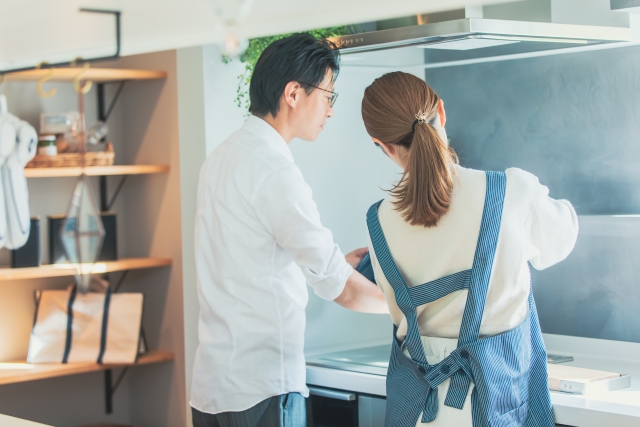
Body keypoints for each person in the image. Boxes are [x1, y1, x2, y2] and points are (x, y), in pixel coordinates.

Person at [360, 71, 579, 427]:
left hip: (417, 411)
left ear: (382, 145)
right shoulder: (511, 191)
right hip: (497, 404)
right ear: (441, 112)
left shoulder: (378, 220)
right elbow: (560, 241)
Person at [191, 34, 388, 427]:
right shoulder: (277, 171)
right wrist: (411, 306)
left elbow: (244, 260)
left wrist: (333, 266)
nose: (330, 110)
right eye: (328, 95)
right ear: (294, 93)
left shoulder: (221, 156)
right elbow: (342, 288)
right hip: (263, 388)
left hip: (213, 388)